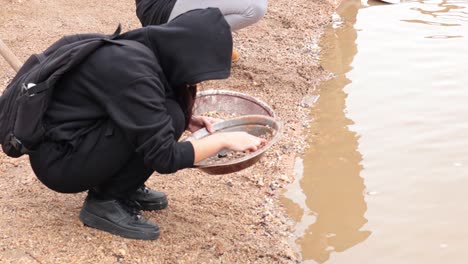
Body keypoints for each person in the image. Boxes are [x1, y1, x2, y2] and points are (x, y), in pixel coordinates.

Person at [28, 8, 266, 240]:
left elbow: (137, 108)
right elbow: (164, 157)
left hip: (78, 138)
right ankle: (104, 203)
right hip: (60, 161)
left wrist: (189, 120)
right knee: (170, 116)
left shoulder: (149, 49)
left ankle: (123, 187)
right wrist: (223, 139)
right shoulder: (133, 71)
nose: (199, 78)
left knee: (173, 114)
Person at [135, 0, 269, 61]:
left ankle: (201, 42)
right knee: (255, 5)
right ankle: (183, 42)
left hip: (159, 8)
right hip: (161, 7)